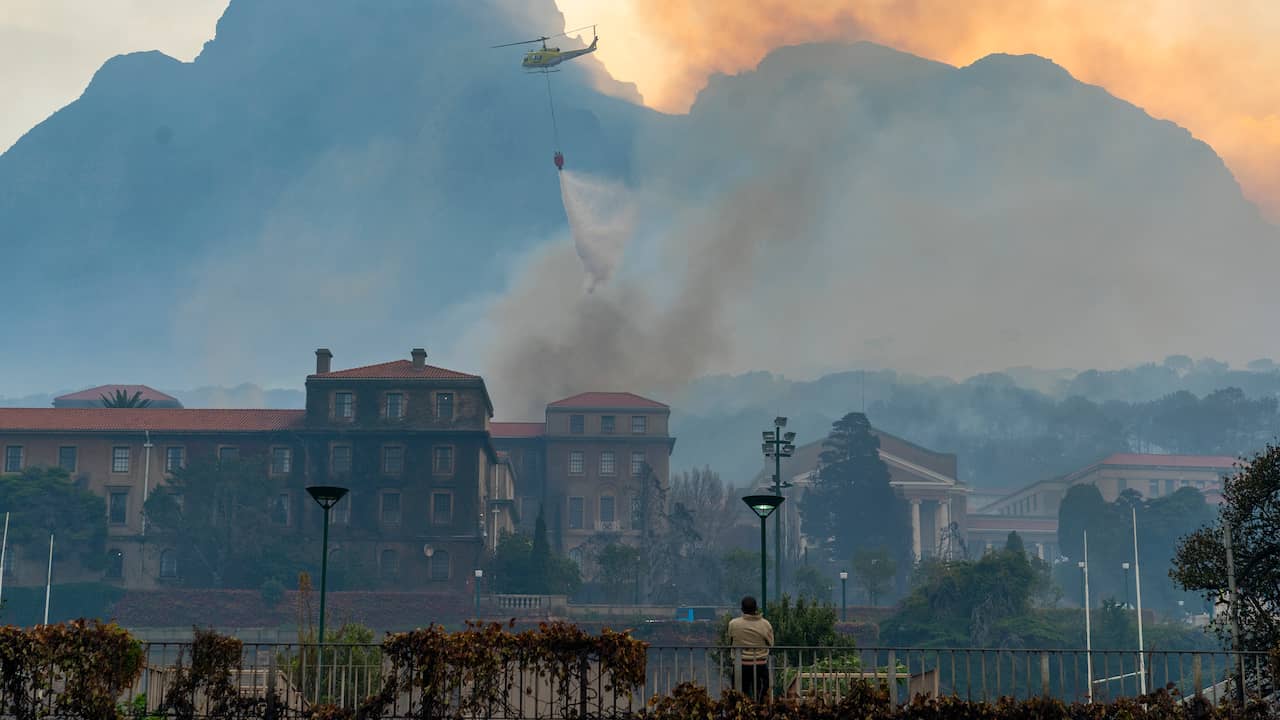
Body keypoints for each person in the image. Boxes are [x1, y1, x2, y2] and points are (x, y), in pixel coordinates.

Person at [727, 596, 774, 702]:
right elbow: (771, 644)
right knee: (761, 698)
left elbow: (730, 642)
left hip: (740, 666)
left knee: (738, 698)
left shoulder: (733, 624)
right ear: (756, 608)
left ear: (742, 609)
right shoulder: (765, 624)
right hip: (760, 665)